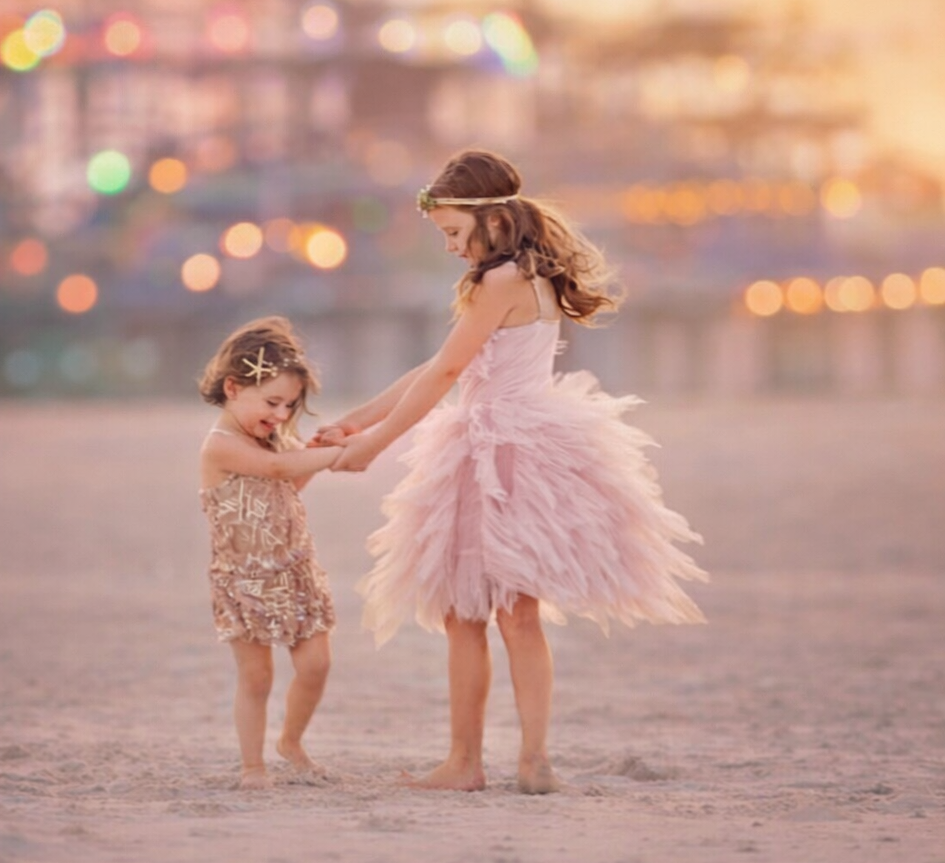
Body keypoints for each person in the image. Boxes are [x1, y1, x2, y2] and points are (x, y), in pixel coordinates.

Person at [320, 149, 707, 794]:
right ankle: (533, 760)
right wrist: (358, 420)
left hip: (494, 451)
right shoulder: (534, 277)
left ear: (491, 221)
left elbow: (446, 371)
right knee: (518, 614)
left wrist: (378, 443)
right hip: (529, 442)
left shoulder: (495, 282)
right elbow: (444, 364)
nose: (447, 248)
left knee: (465, 614)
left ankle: (465, 763)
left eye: (451, 232)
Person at [199, 316, 339, 789]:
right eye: (273, 402)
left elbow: (292, 479)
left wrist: (318, 452)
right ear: (234, 387)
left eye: (291, 406)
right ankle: (252, 766)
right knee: (256, 676)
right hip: (243, 578)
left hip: (293, 569)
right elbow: (279, 468)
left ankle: (291, 740)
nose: (281, 415)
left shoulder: (274, 437)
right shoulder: (221, 445)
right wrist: (337, 456)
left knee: (317, 664)